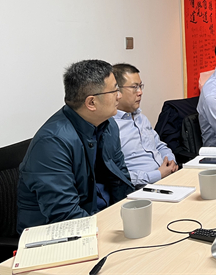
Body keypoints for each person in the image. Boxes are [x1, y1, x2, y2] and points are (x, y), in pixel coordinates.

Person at [17, 60, 134, 232]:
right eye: (114, 90)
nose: (119, 96)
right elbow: (65, 215)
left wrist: (129, 218)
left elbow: (121, 179)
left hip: (102, 220)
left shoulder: (108, 126)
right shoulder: (52, 143)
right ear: (91, 103)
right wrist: (110, 228)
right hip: (58, 234)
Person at [112, 63, 178, 186]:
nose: (140, 92)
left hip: (168, 178)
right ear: (117, 91)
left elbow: (159, 146)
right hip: (143, 188)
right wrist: (158, 174)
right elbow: (117, 176)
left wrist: (170, 160)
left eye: (140, 86)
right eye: (134, 87)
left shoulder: (141, 118)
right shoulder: (110, 128)